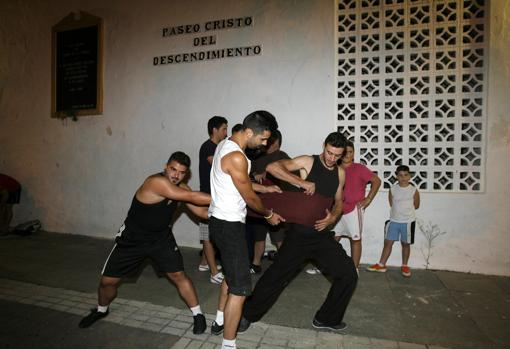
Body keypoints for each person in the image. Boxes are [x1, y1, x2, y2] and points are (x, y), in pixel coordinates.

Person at [238, 132, 358, 333]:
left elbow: (338, 202)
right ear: (324, 146)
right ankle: (247, 314)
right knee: (276, 276)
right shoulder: (308, 162)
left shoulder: (340, 173)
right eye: (329, 152)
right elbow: (272, 168)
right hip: (299, 234)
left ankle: (326, 318)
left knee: (348, 275)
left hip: (321, 236)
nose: (331, 158)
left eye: (336, 155)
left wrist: (332, 218)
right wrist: (302, 182)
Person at [79, 152, 210, 334]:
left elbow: (202, 213)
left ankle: (198, 315)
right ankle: (101, 310)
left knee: (179, 276)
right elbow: (194, 197)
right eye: (173, 169)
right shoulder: (155, 182)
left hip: (160, 239)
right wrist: (228, 196)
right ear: (166, 167)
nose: (175, 175)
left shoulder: (183, 189)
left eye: (181, 172)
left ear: (185, 174)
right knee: (107, 282)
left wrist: (230, 211)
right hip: (133, 239)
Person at [208, 111, 284, 349]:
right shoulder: (238, 157)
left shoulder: (225, 144)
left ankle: (220, 318)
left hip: (221, 222)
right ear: (249, 132)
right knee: (240, 289)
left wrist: (267, 190)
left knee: (233, 274)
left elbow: (238, 182)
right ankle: (228, 345)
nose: (264, 144)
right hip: (228, 225)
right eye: (263, 139)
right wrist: (269, 214)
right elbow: (248, 197)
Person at [308, 141, 380, 273]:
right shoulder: (335, 168)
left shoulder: (359, 168)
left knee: (355, 239)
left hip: (353, 210)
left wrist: (368, 199)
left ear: (354, 153)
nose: (348, 155)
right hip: (337, 209)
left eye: (351, 152)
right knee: (331, 239)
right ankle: (324, 266)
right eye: (345, 152)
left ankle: (354, 269)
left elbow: (377, 180)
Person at [248, 130, 291, 273]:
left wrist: (266, 173)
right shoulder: (259, 155)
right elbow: (250, 171)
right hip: (260, 203)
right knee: (259, 236)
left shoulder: (282, 156)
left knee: (278, 237)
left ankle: (284, 265)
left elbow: (286, 172)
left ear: (278, 142)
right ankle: (256, 264)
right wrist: (255, 174)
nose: (267, 143)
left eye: (271, 141)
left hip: (277, 203)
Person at [367, 165, 420, 277]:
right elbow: (391, 204)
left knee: (405, 244)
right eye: (400, 175)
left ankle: (405, 265)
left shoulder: (413, 190)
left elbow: (416, 205)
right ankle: (381, 265)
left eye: (406, 175)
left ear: (409, 176)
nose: (403, 178)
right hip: (394, 221)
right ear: (396, 177)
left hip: (408, 222)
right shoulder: (393, 189)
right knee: (388, 243)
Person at [198, 116, 228, 284]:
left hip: (213, 196)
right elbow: (217, 164)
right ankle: (214, 273)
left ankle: (204, 263)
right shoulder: (208, 147)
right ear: (215, 130)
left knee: (207, 232)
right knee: (208, 234)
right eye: (224, 128)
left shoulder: (218, 147)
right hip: (206, 197)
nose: (226, 132)